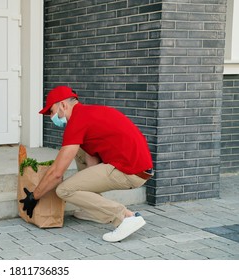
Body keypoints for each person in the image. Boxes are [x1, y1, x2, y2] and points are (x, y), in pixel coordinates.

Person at [19, 85, 154, 242]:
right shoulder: (87, 113)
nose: (51, 117)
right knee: (79, 150)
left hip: (130, 171)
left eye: (51, 111)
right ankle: (92, 210)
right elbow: (91, 158)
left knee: (64, 190)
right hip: (138, 167)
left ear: (63, 105)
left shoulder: (77, 122)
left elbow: (56, 172)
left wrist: (34, 196)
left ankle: (125, 217)